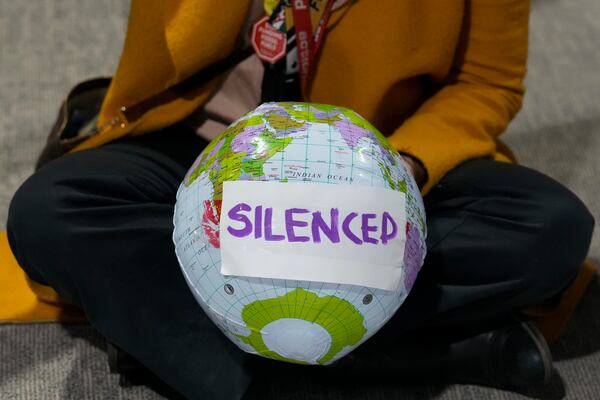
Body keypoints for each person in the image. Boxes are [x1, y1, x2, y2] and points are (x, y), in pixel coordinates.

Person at [6, 0, 595, 399]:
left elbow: (488, 84)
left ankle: (189, 349)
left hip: (380, 151)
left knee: (550, 227)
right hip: (205, 142)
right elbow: (170, 39)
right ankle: (427, 358)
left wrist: (401, 165)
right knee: (52, 212)